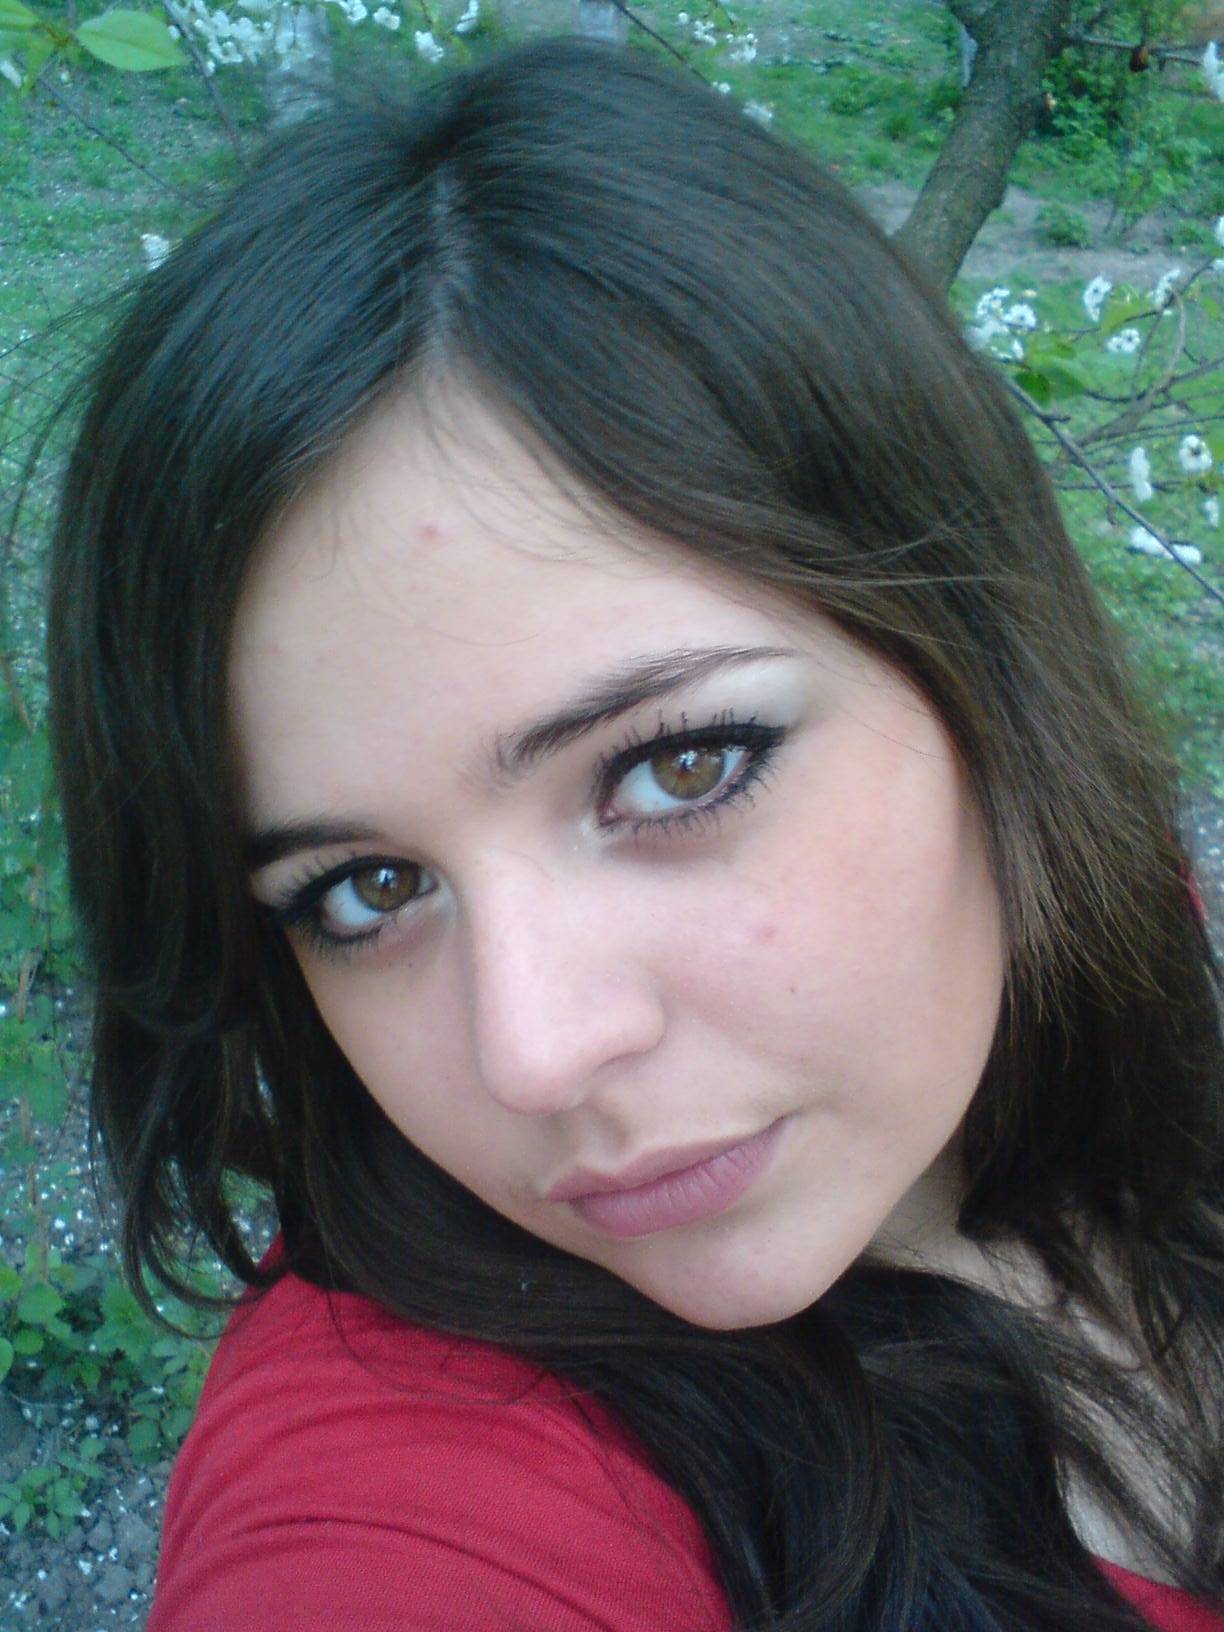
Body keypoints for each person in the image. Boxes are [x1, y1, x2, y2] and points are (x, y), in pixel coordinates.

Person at [46, 36, 1224, 1632]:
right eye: (366, 890)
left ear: (983, 676)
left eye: (678, 771)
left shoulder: (1133, 970)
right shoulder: (415, 1492)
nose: (535, 1055)